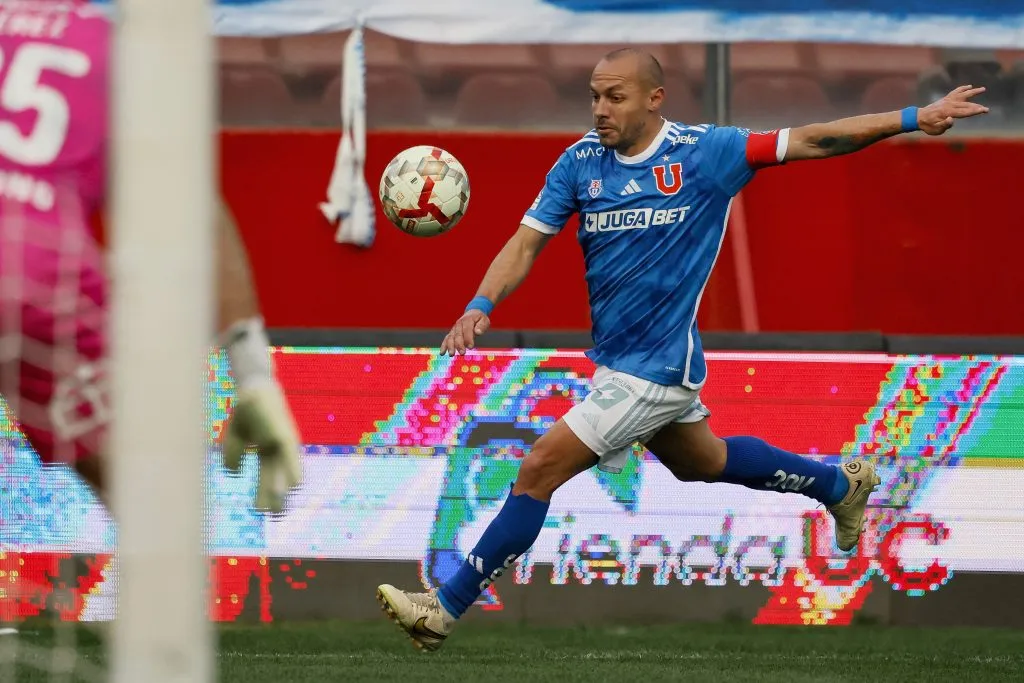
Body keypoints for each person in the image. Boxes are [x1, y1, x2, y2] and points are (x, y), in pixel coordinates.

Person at [376, 47, 988, 651]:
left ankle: (444, 608)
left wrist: (914, 118)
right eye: (595, 96)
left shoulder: (705, 154)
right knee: (703, 460)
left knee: (538, 468)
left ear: (654, 98)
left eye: (615, 96)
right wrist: (480, 304)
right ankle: (836, 486)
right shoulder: (580, 162)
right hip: (620, 363)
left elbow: (815, 139)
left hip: (658, 368)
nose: (600, 109)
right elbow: (526, 242)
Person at [0, 0, 301, 512]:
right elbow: (188, 202)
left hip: (41, 271)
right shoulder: (116, 47)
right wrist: (253, 376)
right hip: (43, 275)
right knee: (150, 509)